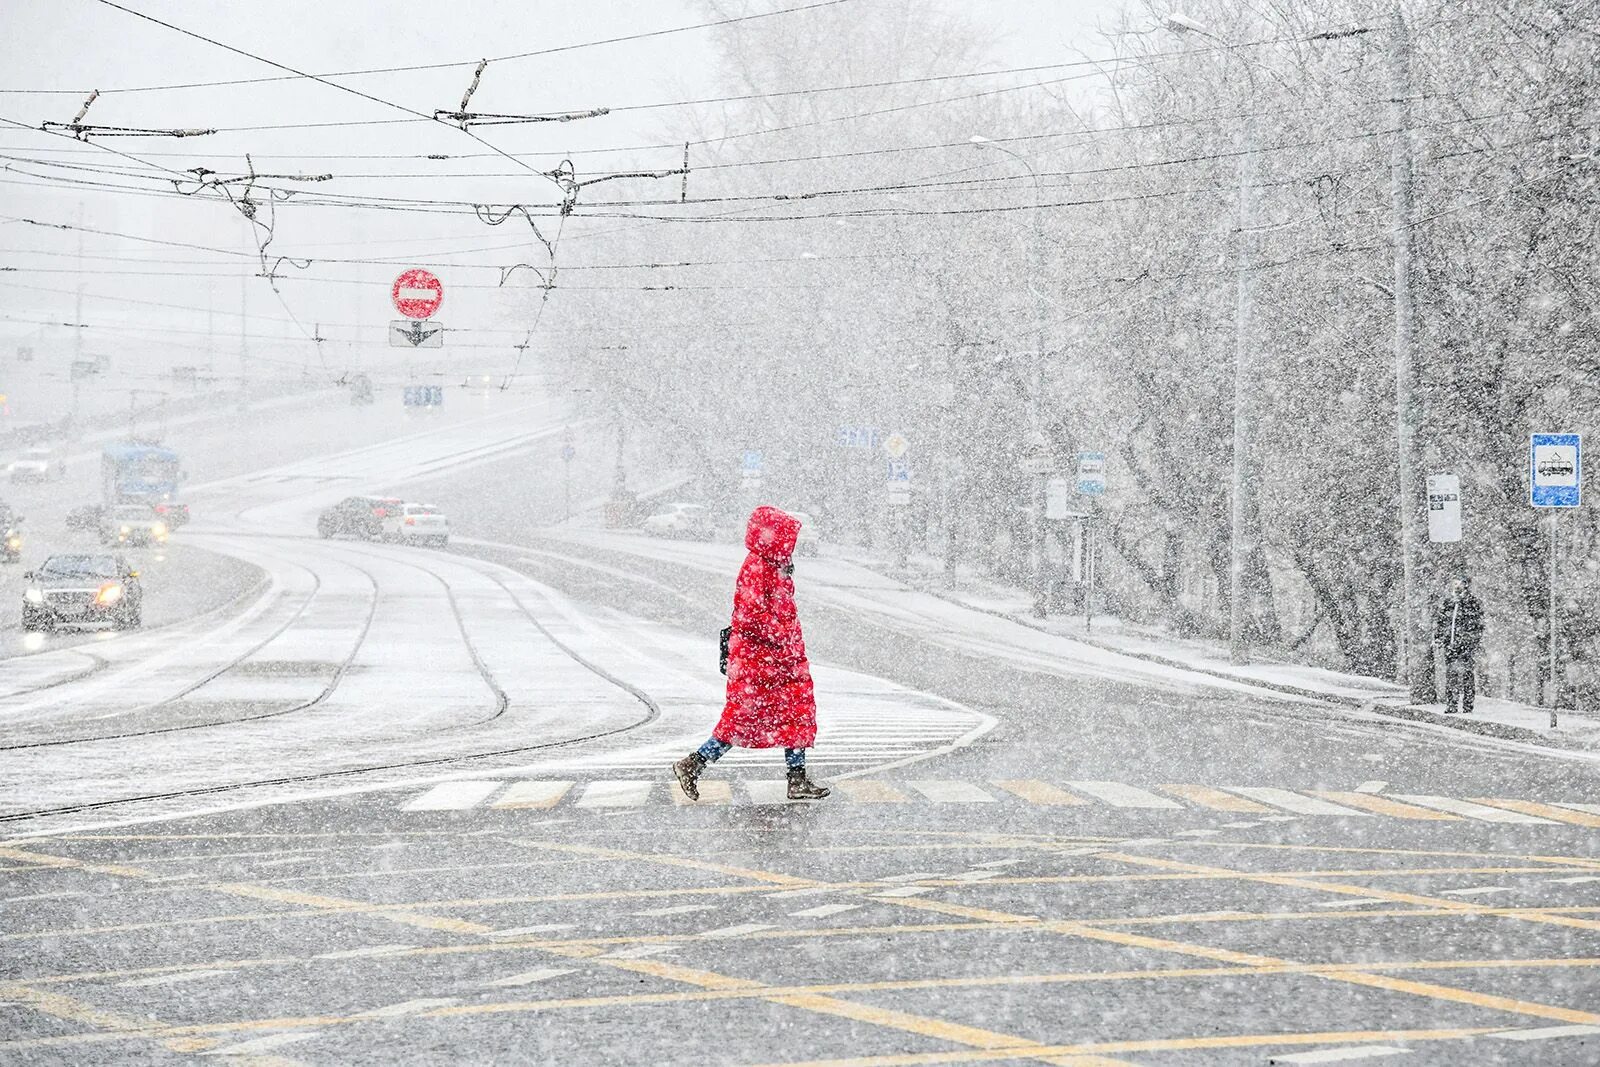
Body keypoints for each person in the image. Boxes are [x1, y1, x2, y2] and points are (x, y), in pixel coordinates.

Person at [673, 505, 830, 801]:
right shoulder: (758, 566)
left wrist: (786, 643)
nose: (791, 545)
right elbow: (750, 616)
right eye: (786, 538)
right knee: (744, 719)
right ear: (772, 538)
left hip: (781, 659)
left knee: (796, 712)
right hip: (760, 661)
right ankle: (693, 763)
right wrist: (782, 636)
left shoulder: (776, 565)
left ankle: (796, 779)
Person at [1433, 575, 1485, 714]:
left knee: (1467, 674)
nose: (1457, 586)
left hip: (1466, 646)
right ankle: (1451, 704)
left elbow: (1477, 625)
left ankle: (1468, 704)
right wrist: (1439, 638)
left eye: (1460, 583)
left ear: (1466, 585)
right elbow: (1441, 622)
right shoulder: (1448, 602)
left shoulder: (1472, 602)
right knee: (1451, 675)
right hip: (1450, 645)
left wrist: (1470, 640)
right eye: (1454, 583)